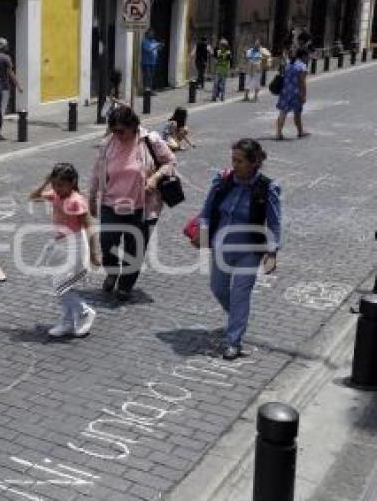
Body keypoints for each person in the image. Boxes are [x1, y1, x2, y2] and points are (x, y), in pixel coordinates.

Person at [194, 139, 281, 360]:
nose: (234, 165)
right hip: (221, 247)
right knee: (218, 288)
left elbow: (274, 223)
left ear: (253, 163)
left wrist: (272, 253)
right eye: (233, 159)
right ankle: (238, 318)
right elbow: (206, 212)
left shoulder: (266, 188)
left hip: (249, 251)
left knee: (241, 295)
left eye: (240, 161)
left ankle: (234, 341)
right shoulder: (222, 182)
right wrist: (203, 235)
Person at [89, 105, 176, 302]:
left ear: (133, 126)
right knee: (107, 243)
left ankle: (126, 285)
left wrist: (155, 179)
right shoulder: (108, 144)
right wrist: (92, 196)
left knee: (134, 248)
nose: (117, 134)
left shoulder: (149, 141)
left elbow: (170, 161)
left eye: (121, 130)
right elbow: (96, 172)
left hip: (141, 207)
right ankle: (112, 272)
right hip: (111, 204)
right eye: (114, 130)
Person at [30, 163, 100, 338]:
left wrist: (94, 253)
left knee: (61, 285)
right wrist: (47, 181)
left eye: (60, 185)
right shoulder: (55, 195)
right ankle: (68, 322)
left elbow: (90, 226)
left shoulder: (76, 201)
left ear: (72, 182)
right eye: (54, 184)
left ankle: (85, 312)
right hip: (60, 245)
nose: (57, 188)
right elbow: (33, 196)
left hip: (75, 244)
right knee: (61, 284)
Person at [275, 48, 310, 140]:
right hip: (296, 93)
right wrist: (303, 95)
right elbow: (302, 82)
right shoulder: (302, 66)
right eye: (307, 56)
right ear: (303, 56)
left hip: (285, 91)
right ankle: (300, 132)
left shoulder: (288, 64)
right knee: (297, 113)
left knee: (283, 112)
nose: (308, 58)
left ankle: (278, 133)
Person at [0, 37, 23, 124]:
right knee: (1, 109)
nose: (7, 46)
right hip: (4, 87)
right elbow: (10, 73)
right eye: (6, 44)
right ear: (2, 46)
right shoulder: (6, 58)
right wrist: (18, 86)